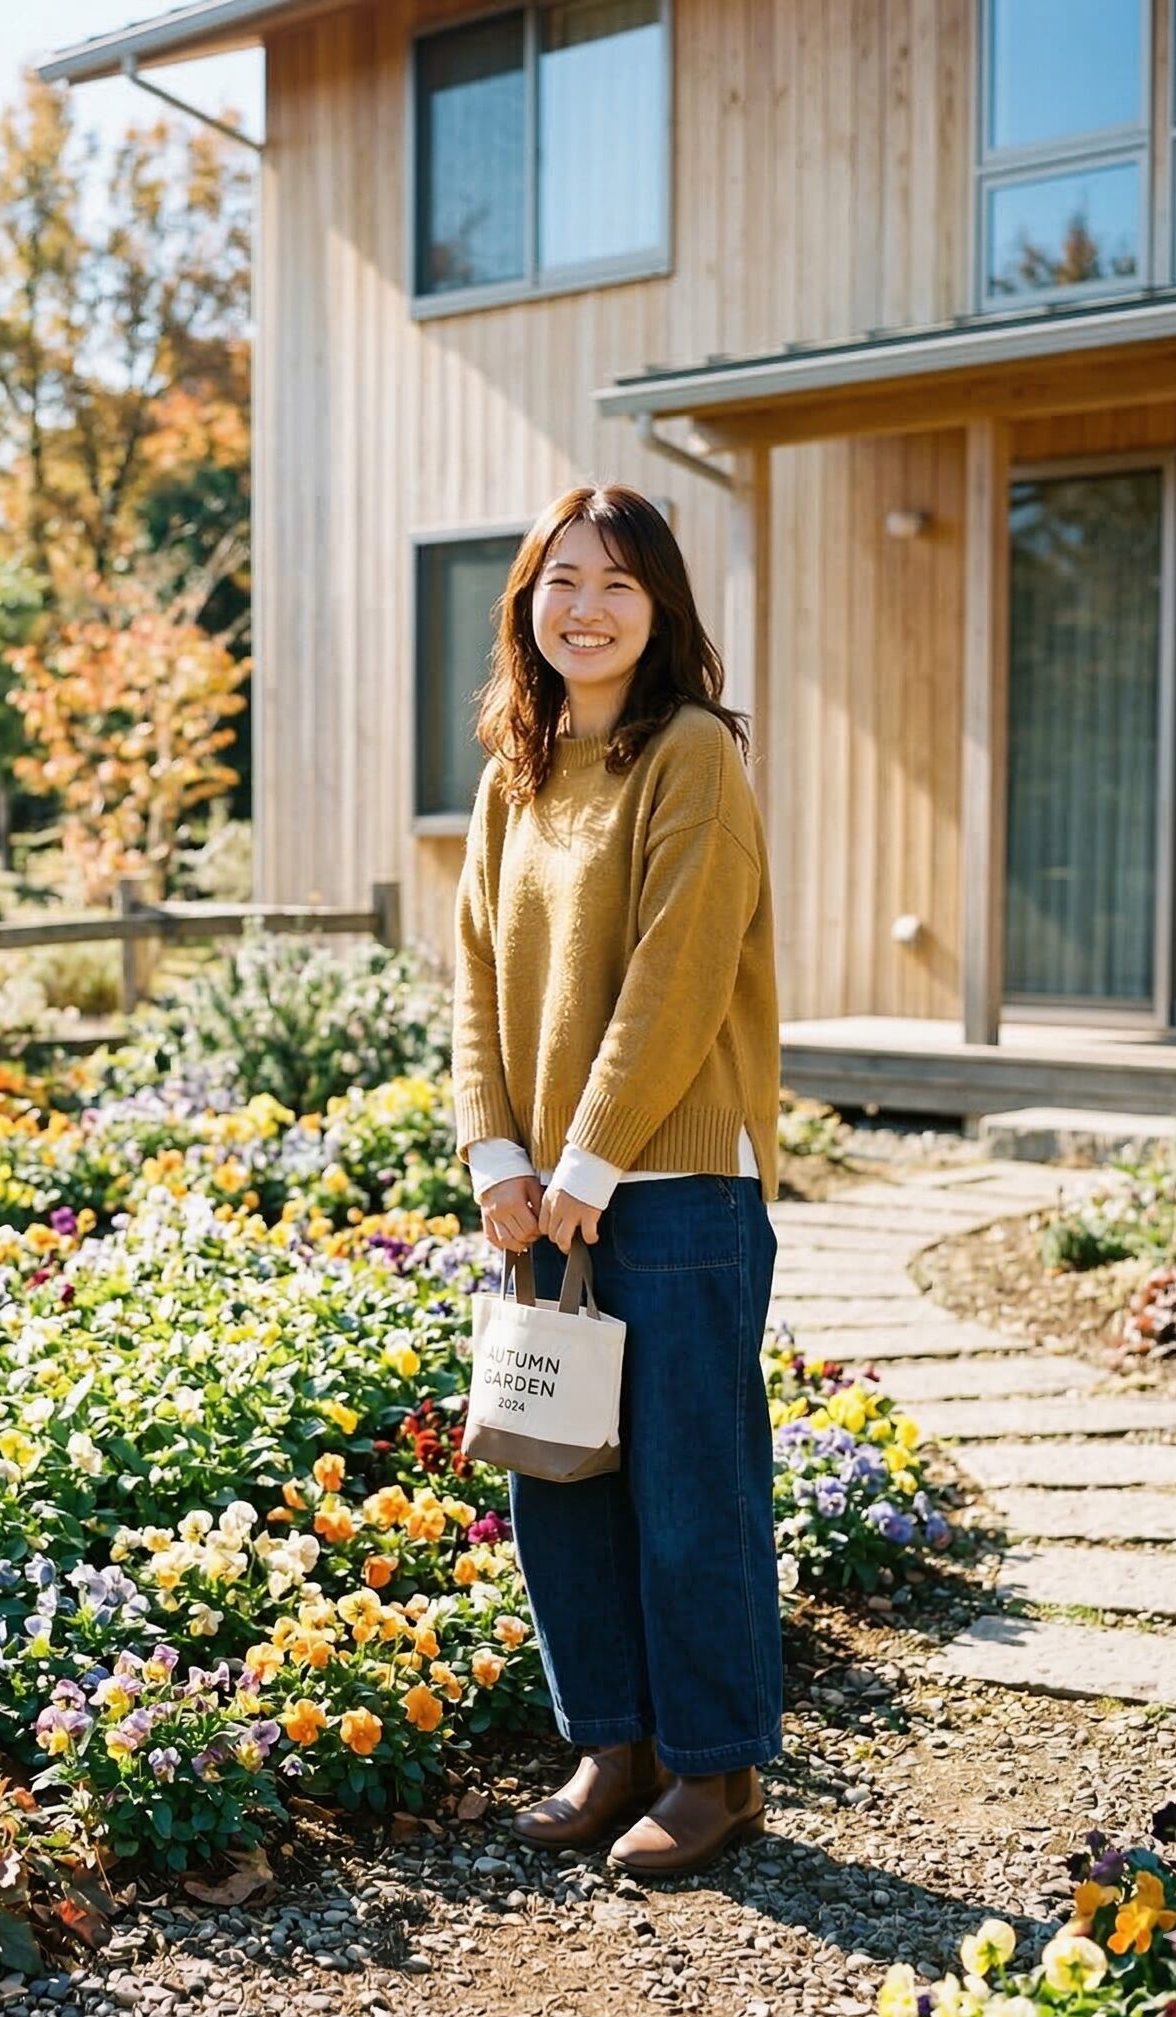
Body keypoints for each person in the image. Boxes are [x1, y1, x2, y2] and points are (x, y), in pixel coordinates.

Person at [451, 482, 783, 1878]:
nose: (585, 609)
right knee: (558, 1474)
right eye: (561, 581)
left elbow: (678, 976)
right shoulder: (512, 774)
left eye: (618, 586)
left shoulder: (692, 754)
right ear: (528, 603)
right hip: (545, 1195)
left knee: (690, 1491)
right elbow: (473, 973)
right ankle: (613, 1748)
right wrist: (497, 1157)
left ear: (661, 612)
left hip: (682, 1186)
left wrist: (592, 1158)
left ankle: (715, 1773)